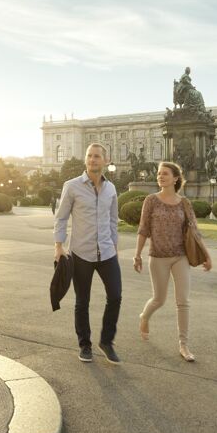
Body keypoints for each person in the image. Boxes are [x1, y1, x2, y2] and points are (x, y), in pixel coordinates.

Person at [133, 161, 212, 362]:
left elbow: (194, 230)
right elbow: (143, 229)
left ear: (175, 178)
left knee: (183, 301)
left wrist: (207, 255)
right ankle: (144, 317)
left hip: (180, 257)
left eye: (165, 174)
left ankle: (183, 345)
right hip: (157, 256)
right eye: (159, 174)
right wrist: (137, 254)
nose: (160, 176)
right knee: (159, 299)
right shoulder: (151, 200)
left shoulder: (184, 202)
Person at [54, 143, 121, 364]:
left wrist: (115, 246)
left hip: (107, 251)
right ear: (86, 160)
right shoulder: (71, 186)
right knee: (82, 301)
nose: (93, 160)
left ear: (105, 160)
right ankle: (85, 345)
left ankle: (107, 341)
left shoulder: (111, 189)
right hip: (81, 252)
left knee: (116, 295)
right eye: (89, 156)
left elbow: (113, 221)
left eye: (97, 156)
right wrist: (58, 246)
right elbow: (61, 217)